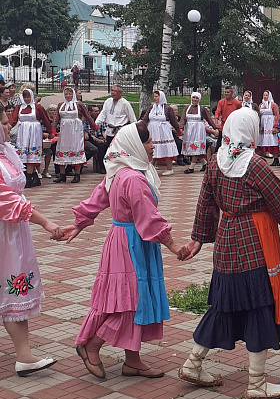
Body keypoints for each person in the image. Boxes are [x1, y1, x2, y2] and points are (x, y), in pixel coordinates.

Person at [178, 108, 280, 397]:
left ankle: (193, 363)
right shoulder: (254, 165)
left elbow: (205, 204)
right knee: (258, 307)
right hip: (254, 244)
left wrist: (198, 239)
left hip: (226, 243)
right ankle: (256, 383)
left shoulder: (216, 162)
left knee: (223, 306)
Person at [62, 122, 184, 379]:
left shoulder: (120, 172)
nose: (153, 147)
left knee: (129, 298)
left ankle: (132, 360)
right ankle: (92, 345)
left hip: (124, 240)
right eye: (149, 142)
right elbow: (148, 218)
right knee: (132, 301)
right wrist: (173, 245)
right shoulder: (134, 178)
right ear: (136, 146)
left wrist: (78, 225)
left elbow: (96, 200)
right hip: (132, 244)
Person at [0, 106, 60, 376]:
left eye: (5, 123)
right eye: (2, 123)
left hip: (12, 234)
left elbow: (17, 196)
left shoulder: (6, 153)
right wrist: (46, 222)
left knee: (15, 292)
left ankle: (24, 356)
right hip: (6, 231)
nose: (6, 128)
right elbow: (7, 200)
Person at [53, 85, 97, 184]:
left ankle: (77, 174)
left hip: (75, 130)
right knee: (62, 149)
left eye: (70, 94)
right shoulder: (60, 105)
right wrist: (53, 129)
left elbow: (87, 115)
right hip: (64, 130)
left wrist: (93, 126)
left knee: (76, 149)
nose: (68, 96)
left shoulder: (79, 105)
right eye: (66, 94)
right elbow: (56, 117)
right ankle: (62, 174)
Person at [9, 88, 52, 188]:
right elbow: (13, 119)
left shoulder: (38, 108)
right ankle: (34, 177)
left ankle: (29, 178)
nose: (27, 99)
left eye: (28, 96)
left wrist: (50, 132)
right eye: (25, 97)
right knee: (24, 154)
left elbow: (45, 120)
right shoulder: (19, 107)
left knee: (31, 154)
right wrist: (7, 127)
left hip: (34, 133)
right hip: (23, 132)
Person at [140, 90, 180, 175]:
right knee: (153, 147)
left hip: (164, 131)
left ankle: (169, 169)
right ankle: (150, 167)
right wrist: (140, 126)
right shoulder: (151, 108)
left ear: (161, 97)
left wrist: (178, 130)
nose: (155, 98)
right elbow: (145, 118)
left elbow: (173, 121)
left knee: (166, 147)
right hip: (153, 130)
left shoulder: (167, 109)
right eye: (154, 96)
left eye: (157, 96)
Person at [180, 92, 218, 173]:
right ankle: (205, 163)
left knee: (196, 147)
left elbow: (209, 119)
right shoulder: (187, 108)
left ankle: (191, 167)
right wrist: (181, 128)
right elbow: (183, 118)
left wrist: (215, 128)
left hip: (198, 130)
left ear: (199, 99)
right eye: (193, 97)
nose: (194, 99)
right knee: (193, 148)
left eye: (196, 98)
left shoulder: (202, 109)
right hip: (189, 130)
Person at [96, 86, 137, 151]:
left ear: (120, 93)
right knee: (109, 150)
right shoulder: (108, 101)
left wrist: (134, 131)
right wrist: (96, 124)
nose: (112, 92)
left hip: (120, 132)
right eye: (112, 90)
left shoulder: (125, 104)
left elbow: (132, 118)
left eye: (115, 91)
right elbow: (103, 114)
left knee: (119, 150)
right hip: (109, 131)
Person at [257, 90, 280, 165]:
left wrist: (275, 126)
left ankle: (276, 158)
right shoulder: (261, 105)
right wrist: (259, 126)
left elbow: (277, 115)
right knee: (262, 141)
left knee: (272, 141)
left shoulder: (273, 105)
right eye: (264, 95)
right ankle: (261, 159)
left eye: (266, 95)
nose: (265, 97)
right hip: (263, 124)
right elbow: (258, 115)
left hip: (270, 124)